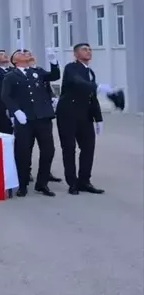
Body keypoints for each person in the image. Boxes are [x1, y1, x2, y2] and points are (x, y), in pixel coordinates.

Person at [1, 47, 61, 198]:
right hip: (25, 120)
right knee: (23, 152)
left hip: (43, 117)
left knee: (48, 150)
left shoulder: (37, 71)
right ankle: (22, 184)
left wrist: (53, 61)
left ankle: (42, 183)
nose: (26, 54)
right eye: (21, 53)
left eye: (27, 52)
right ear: (15, 61)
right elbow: (6, 96)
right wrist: (16, 111)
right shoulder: (11, 76)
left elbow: (54, 75)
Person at [55, 43, 108, 195]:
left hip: (85, 116)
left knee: (88, 148)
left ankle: (85, 180)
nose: (89, 51)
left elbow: (92, 98)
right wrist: (96, 86)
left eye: (90, 49)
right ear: (76, 54)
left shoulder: (90, 72)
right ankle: (72, 182)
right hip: (68, 114)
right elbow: (78, 82)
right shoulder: (71, 68)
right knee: (69, 148)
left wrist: (98, 119)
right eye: (85, 49)